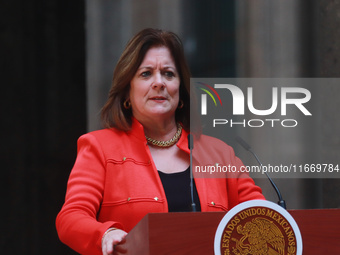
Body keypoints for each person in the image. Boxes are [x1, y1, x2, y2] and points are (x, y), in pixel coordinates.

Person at [56, 28, 264, 255]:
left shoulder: (220, 154)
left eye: (168, 74)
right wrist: (105, 234)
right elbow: (71, 218)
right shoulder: (99, 147)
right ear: (127, 92)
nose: (159, 83)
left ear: (180, 91)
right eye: (146, 74)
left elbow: (261, 218)